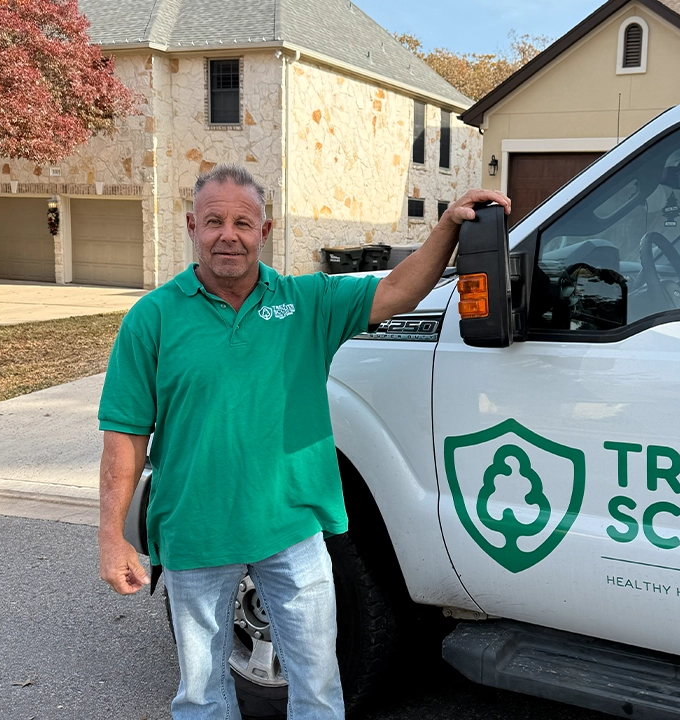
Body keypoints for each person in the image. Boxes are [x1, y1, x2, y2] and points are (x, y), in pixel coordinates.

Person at [97, 163, 509, 719]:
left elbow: (398, 290)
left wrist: (448, 227)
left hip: (292, 531)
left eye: (243, 223)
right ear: (192, 226)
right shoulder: (152, 318)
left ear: (264, 232)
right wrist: (112, 537)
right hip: (194, 531)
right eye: (214, 221)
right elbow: (125, 434)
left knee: (317, 688)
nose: (228, 235)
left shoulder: (307, 302)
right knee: (201, 695)